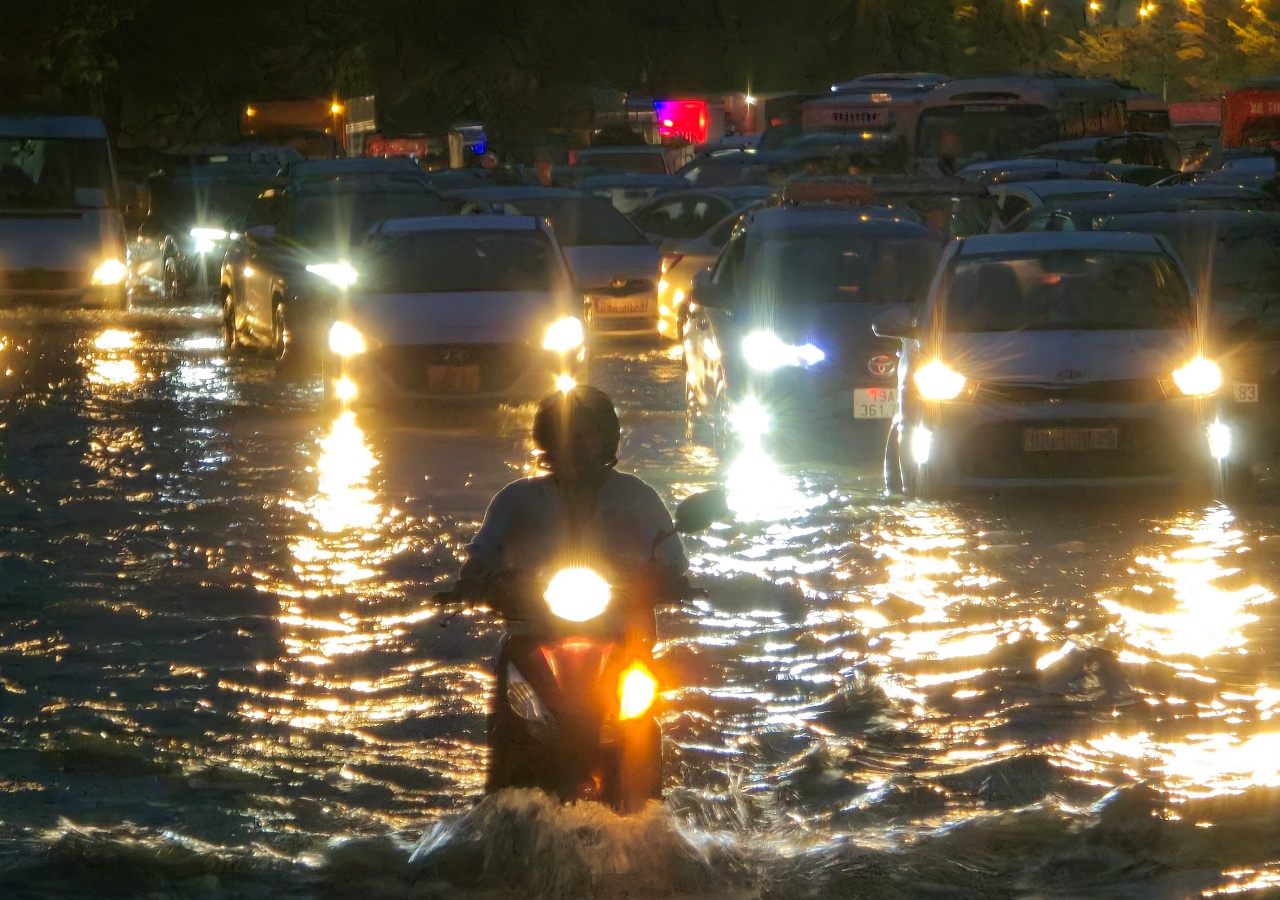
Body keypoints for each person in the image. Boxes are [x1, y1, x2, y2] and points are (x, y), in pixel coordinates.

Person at [458, 386, 689, 607]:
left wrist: (666, 581)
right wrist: (474, 579)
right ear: (548, 442)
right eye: (564, 435)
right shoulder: (516, 499)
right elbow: (483, 551)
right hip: (535, 623)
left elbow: (672, 558)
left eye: (586, 435)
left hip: (624, 625)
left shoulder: (638, 497)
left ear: (605, 440)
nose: (576, 446)